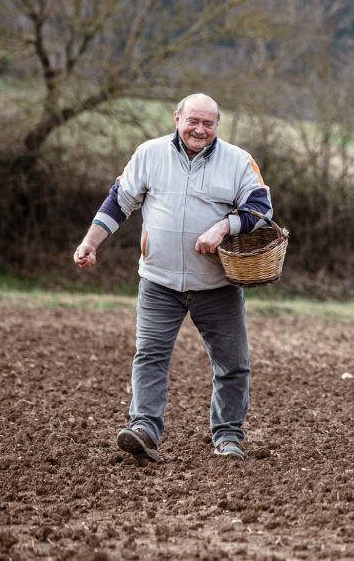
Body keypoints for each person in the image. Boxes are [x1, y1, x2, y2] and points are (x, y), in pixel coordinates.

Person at [73, 93, 273, 463]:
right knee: (149, 356)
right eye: (193, 121)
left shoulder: (238, 161)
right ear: (177, 118)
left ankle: (228, 437)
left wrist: (223, 227)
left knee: (233, 363)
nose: (200, 129)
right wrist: (90, 241)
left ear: (217, 126)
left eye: (208, 123)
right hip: (159, 281)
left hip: (217, 285)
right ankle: (144, 429)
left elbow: (260, 208)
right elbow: (120, 201)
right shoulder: (149, 154)